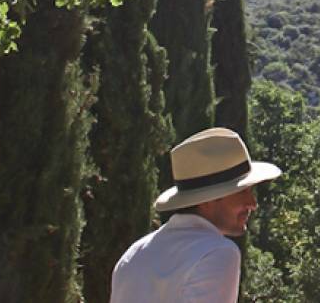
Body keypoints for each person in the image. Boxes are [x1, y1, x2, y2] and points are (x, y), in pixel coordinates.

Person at [110, 127, 281, 303]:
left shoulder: (133, 255)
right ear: (207, 200)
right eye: (241, 192)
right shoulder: (217, 252)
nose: (252, 203)